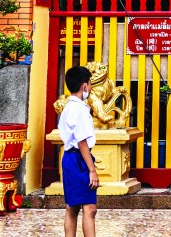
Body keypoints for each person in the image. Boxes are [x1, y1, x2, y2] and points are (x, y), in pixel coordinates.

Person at [58, 65, 98, 237]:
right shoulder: (80, 108)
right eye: (90, 84)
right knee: (90, 208)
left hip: (69, 158)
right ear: (84, 86)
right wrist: (92, 170)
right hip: (79, 159)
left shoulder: (67, 107)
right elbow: (82, 142)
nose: (90, 88)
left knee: (72, 207)